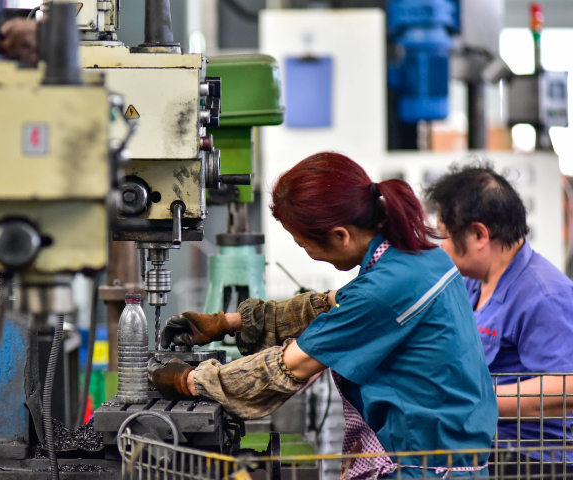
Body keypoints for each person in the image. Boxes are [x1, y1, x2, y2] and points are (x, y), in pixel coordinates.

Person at [152, 152, 497, 479]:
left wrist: (190, 381)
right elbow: (329, 304)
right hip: (448, 460)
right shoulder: (418, 259)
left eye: (304, 245)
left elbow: (290, 365)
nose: (308, 252)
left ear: (340, 236)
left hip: (424, 468)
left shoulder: (383, 290)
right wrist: (226, 323)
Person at [425, 163, 573, 472]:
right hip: (483, 448)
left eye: (445, 237)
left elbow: (566, 388)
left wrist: (474, 399)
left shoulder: (544, 294)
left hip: (531, 461)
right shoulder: (472, 283)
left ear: (479, 234)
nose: (442, 248)